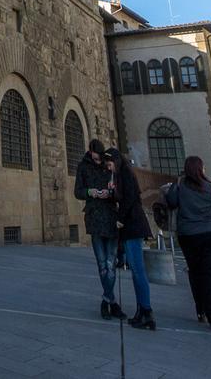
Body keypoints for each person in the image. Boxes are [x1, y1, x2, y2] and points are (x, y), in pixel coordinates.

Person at [164, 156, 211, 329]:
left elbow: (171, 203)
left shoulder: (180, 186)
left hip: (189, 236)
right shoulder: (210, 188)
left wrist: (176, 184)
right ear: (200, 169)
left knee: (195, 273)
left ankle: (200, 310)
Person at [76, 139, 124, 319]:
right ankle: (112, 303)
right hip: (95, 218)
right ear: (90, 153)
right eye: (94, 157)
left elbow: (120, 190)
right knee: (102, 265)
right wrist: (91, 192)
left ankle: (107, 301)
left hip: (111, 218)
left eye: (99, 158)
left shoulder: (109, 165)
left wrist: (110, 192)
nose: (97, 160)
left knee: (111, 264)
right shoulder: (83, 167)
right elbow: (78, 191)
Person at [108, 147, 155, 330]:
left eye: (109, 163)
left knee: (138, 271)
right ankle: (142, 311)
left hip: (133, 226)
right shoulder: (122, 174)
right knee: (136, 271)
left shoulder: (126, 174)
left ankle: (146, 311)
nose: (108, 167)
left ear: (116, 161)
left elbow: (129, 199)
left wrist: (119, 219)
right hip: (131, 227)